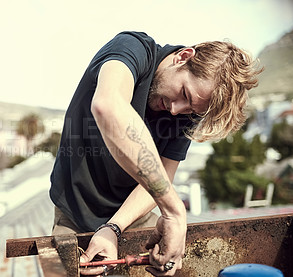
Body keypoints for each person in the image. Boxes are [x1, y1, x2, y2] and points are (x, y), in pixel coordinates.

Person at [49, 31, 262, 276]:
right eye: (184, 94)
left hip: (132, 216)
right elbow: (108, 106)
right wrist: (174, 210)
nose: (175, 110)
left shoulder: (187, 113)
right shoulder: (131, 49)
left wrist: (114, 227)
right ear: (183, 57)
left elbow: (164, 175)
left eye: (190, 109)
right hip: (74, 212)